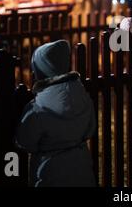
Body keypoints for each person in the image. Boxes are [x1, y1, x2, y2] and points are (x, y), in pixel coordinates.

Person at [16, 40, 97, 187]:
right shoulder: (83, 96)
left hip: (49, 174)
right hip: (81, 170)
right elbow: (90, 129)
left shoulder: (37, 108)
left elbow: (25, 142)